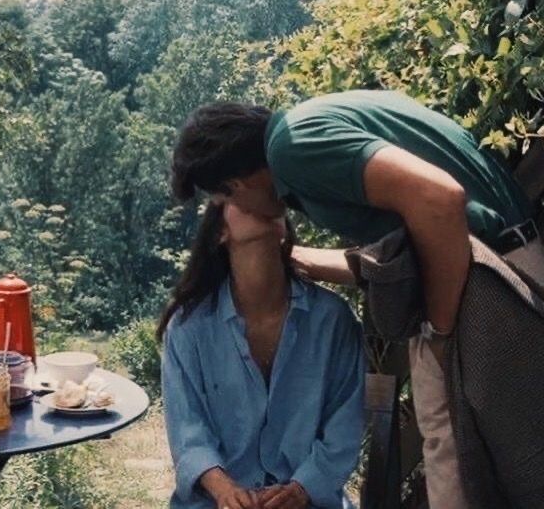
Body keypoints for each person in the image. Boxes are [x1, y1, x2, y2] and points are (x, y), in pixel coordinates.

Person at [170, 89, 543, 508]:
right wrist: (285, 259)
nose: (234, 208)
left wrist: (439, 329)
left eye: (224, 199)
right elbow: (399, 257)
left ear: (236, 182)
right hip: (502, 267)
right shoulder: (317, 120)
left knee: (459, 463)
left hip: (483, 283)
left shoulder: (292, 147)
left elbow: (440, 199)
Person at [159, 202, 365, 509]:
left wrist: (301, 489)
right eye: (240, 193)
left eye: (270, 194)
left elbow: (344, 427)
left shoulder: (332, 320)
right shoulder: (189, 326)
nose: (260, 198)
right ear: (220, 231)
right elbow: (188, 431)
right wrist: (225, 490)